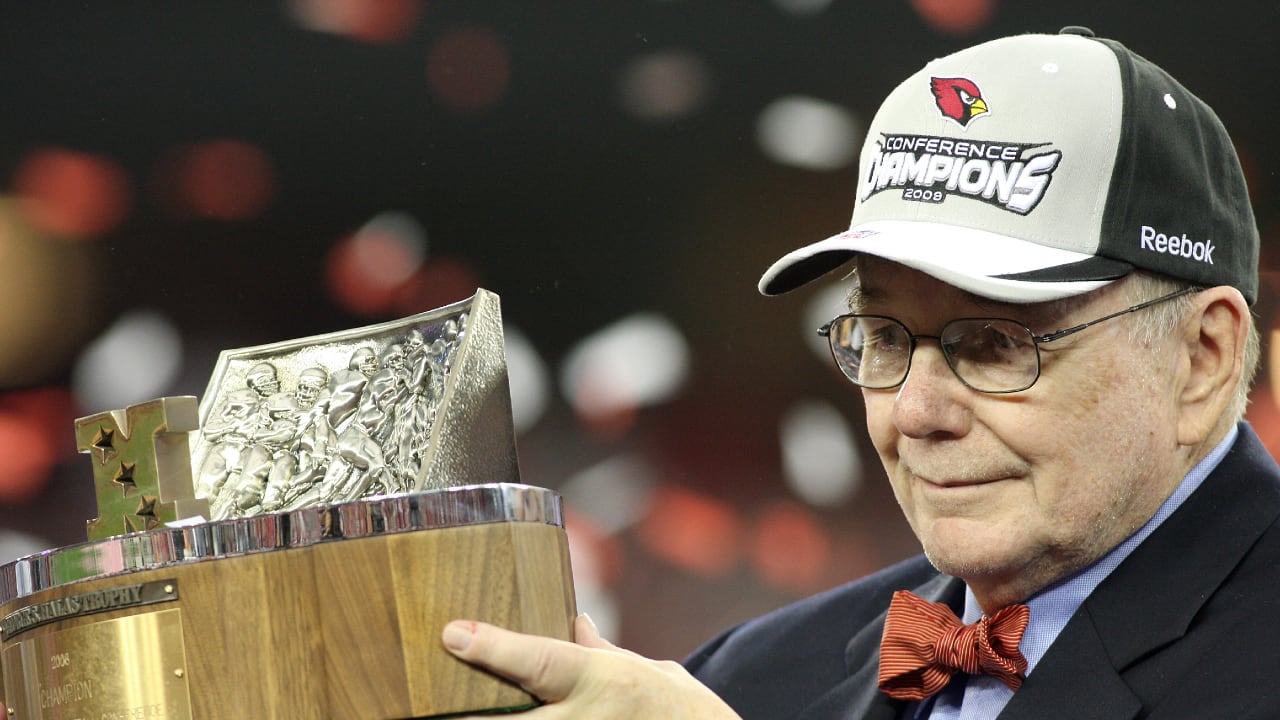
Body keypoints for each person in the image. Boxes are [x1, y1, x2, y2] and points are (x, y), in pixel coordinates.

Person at [441, 28, 1280, 718]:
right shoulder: (757, 674)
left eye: (994, 342)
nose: (913, 413)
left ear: (1201, 358)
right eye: (882, 335)